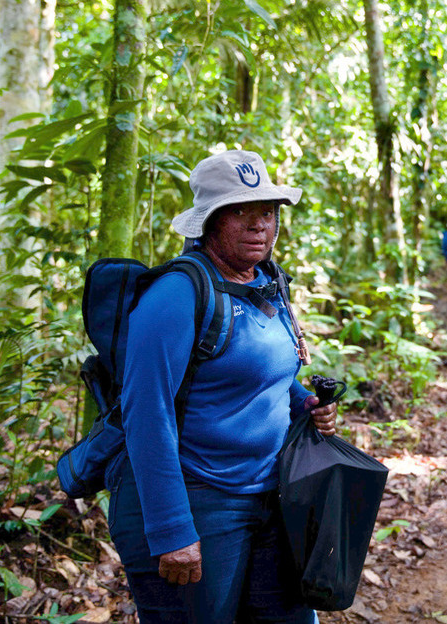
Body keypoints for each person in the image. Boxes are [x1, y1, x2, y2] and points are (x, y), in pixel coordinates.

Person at [108, 150, 337, 623]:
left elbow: (260, 375)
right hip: (197, 499)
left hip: (270, 493)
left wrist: (302, 403)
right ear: (208, 222)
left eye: (268, 212)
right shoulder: (176, 295)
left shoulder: (265, 283)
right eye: (240, 211)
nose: (259, 225)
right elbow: (146, 414)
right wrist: (172, 531)